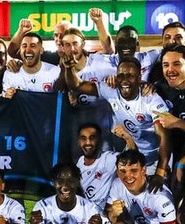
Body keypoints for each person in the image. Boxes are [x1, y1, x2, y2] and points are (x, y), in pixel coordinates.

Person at [65, 57, 170, 189]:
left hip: (155, 157)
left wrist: (160, 172)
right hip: (133, 151)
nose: (125, 80)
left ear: (139, 77)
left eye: (130, 76)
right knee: (122, 192)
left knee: (154, 194)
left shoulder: (151, 99)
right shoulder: (110, 91)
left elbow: (164, 137)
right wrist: (69, 68)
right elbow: (78, 85)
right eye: (121, 75)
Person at [74, 123, 118, 211]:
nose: (88, 143)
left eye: (92, 138)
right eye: (83, 138)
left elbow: (131, 160)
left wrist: (128, 139)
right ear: (79, 142)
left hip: (104, 215)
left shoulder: (108, 158)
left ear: (99, 140)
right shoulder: (79, 162)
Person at [2, 32, 60, 97]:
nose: (28, 50)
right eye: (24, 46)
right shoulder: (10, 74)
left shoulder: (56, 73)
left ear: (41, 50)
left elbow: (61, 100)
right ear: (20, 51)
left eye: (33, 46)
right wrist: (7, 96)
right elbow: (4, 101)